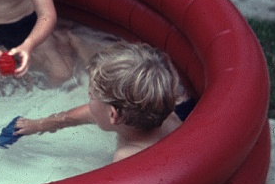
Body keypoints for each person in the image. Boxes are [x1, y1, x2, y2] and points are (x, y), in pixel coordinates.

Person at [13, 41, 185, 162]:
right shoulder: (160, 109)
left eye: (92, 96)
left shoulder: (128, 156)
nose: (88, 96)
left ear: (113, 115)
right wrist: (40, 125)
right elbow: (82, 115)